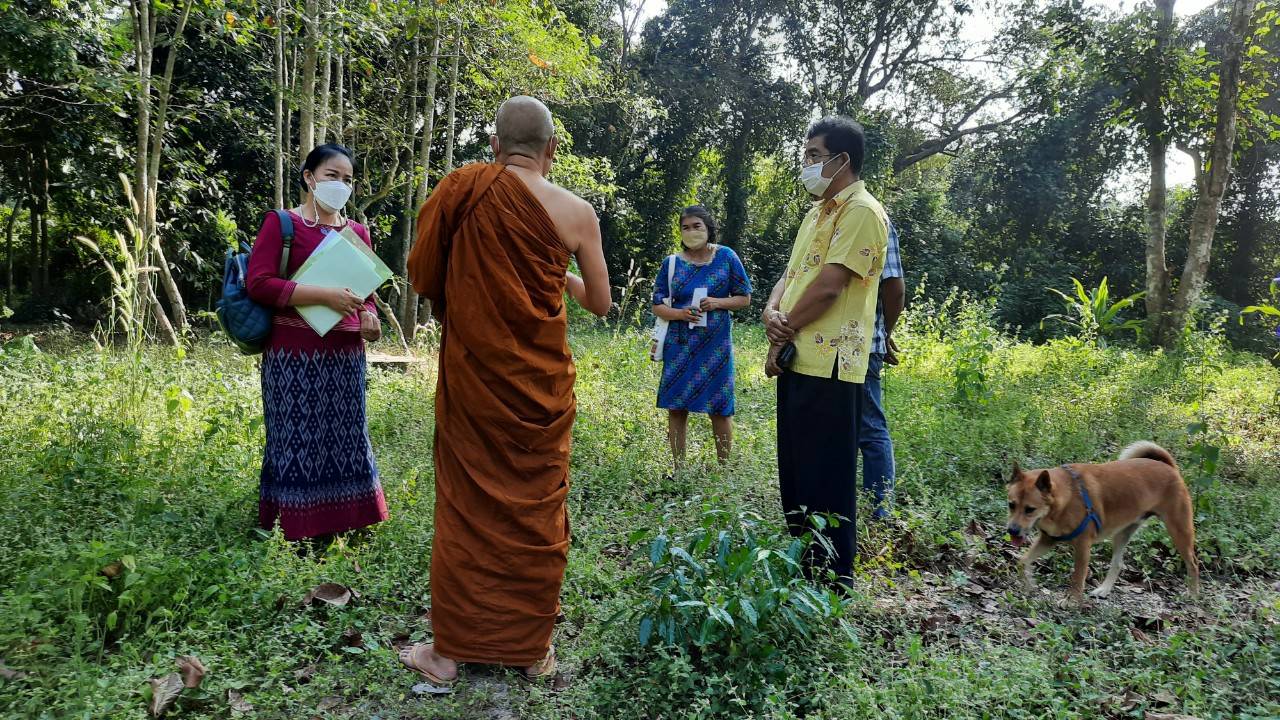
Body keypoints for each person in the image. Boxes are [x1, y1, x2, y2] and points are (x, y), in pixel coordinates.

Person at [399, 96, 611, 690]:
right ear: (552, 149)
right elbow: (600, 303)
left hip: (476, 381)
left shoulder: (461, 189)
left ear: (495, 146)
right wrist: (558, 272)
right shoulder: (577, 213)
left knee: (466, 508)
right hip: (539, 389)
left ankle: (445, 655)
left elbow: (423, 275)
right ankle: (532, 650)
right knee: (536, 510)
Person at [760, 116, 888, 587]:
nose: (807, 164)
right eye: (806, 155)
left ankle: (833, 581)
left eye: (814, 155)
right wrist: (771, 309)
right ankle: (803, 568)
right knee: (797, 471)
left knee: (826, 477)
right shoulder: (817, 213)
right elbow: (792, 274)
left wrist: (783, 330)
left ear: (842, 160)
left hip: (832, 363)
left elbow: (831, 286)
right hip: (799, 355)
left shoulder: (862, 212)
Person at [245, 143, 388, 542]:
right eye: (331, 175)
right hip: (292, 354)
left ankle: (348, 521)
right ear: (309, 177)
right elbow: (259, 283)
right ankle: (294, 526)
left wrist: (369, 317)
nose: (340, 184)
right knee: (294, 437)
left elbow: (367, 294)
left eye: (347, 179)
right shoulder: (282, 224)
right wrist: (323, 296)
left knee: (346, 437)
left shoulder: (358, 233)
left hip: (346, 356)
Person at [651, 206, 752, 467]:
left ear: (708, 228)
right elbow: (657, 305)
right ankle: (679, 467)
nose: (692, 231)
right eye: (685, 227)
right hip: (680, 344)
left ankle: (724, 468)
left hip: (716, 347)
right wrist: (680, 314)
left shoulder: (726, 257)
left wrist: (718, 302)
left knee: (720, 407)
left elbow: (744, 298)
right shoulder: (671, 263)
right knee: (676, 406)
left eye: (697, 226)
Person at [860, 219, 905, 520]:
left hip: (862, 345)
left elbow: (894, 289)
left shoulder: (875, 220)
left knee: (870, 427)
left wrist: (884, 333)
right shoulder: (822, 217)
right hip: (826, 348)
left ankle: (880, 510)